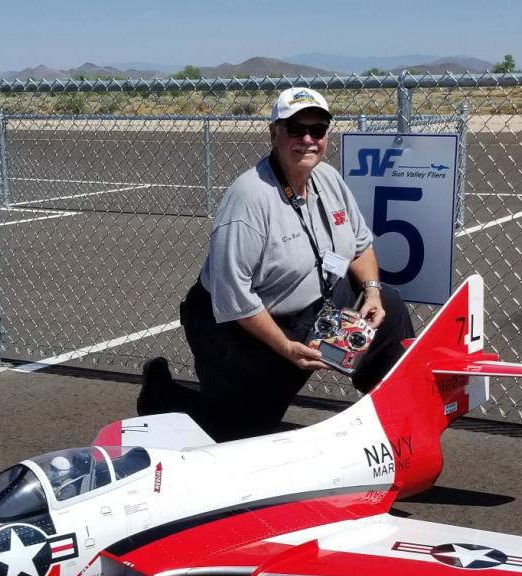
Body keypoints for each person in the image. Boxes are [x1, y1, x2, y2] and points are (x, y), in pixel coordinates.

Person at [138, 87, 415, 442]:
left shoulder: (328, 179)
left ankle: (391, 418)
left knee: (389, 306)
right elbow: (233, 298)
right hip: (238, 327)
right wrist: (286, 348)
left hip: (313, 308)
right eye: (295, 129)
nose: (307, 139)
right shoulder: (249, 198)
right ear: (274, 133)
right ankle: (160, 393)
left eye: (317, 130)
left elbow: (360, 247)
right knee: (238, 435)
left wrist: (372, 294)